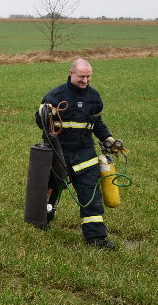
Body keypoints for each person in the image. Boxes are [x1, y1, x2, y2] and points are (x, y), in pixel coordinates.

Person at [36, 59, 123, 249]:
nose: (85, 80)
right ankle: (41, 220)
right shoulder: (55, 95)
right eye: (81, 76)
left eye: (88, 76)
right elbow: (40, 121)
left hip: (85, 155)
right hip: (58, 155)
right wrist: (45, 113)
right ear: (71, 73)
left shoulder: (94, 97)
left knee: (90, 197)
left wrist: (108, 138)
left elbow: (97, 123)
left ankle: (96, 238)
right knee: (51, 192)